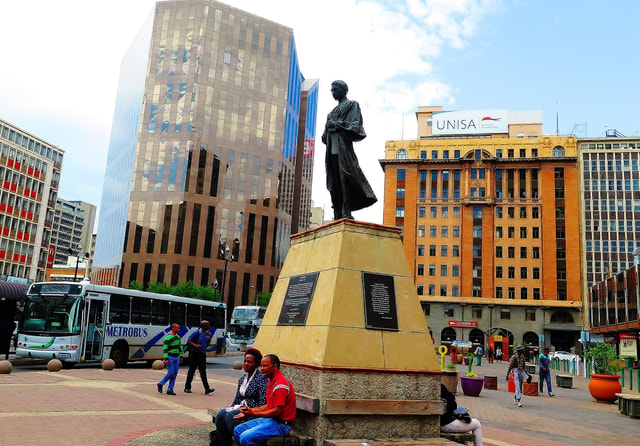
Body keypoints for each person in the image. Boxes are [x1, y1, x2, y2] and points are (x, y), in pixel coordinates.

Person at [322, 80, 377, 220]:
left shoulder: (352, 105)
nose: (333, 92)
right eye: (332, 90)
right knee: (334, 183)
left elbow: (356, 126)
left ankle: (346, 212)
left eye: (335, 89)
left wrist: (338, 125)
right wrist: (329, 127)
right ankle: (337, 213)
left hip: (343, 151)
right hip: (331, 152)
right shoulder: (331, 112)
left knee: (345, 179)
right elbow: (324, 137)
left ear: (343, 90)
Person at [233, 354, 296, 446]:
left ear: (275, 367)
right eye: (261, 366)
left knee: (245, 437)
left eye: (265, 366)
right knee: (237, 430)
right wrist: (249, 411)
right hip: (272, 420)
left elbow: (276, 411)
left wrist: (253, 413)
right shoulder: (271, 381)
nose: (261, 369)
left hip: (281, 425)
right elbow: (269, 406)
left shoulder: (280, 385)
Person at [213, 348, 268, 446]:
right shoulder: (242, 379)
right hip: (240, 407)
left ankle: (242, 441)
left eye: (249, 362)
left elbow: (262, 402)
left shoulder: (261, 380)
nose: (246, 364)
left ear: (256, 365)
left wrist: (249, 412)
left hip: (252, 411)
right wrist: (230, 408)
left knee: (230, 416)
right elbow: (237, 398)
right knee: (221, 414)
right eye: (245, 361)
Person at [184, 320, 215, 395]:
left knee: (203, 371)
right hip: (194, 353)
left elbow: (207, 345)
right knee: (192, 371)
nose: (209, 326)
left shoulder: (207, 334)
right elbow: (189, 340)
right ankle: (187, 387)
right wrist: (196, 345)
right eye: (208, 325)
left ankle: (207, 389)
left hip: (202, 354)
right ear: (204, 326)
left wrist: (210, 338)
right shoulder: (197, 332)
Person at [157, 323, 183, 395]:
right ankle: (161, 383)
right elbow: (165, 349)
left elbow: (179, 348)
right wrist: (166, 358)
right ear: (173, 328)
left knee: (174, 374)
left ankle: (170, 389)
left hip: (176, 357)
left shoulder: (178, 338)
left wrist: (181, 356)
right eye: (177, 328)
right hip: (170, 357)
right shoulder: (168, 338)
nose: (178, 329)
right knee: (171, 372)